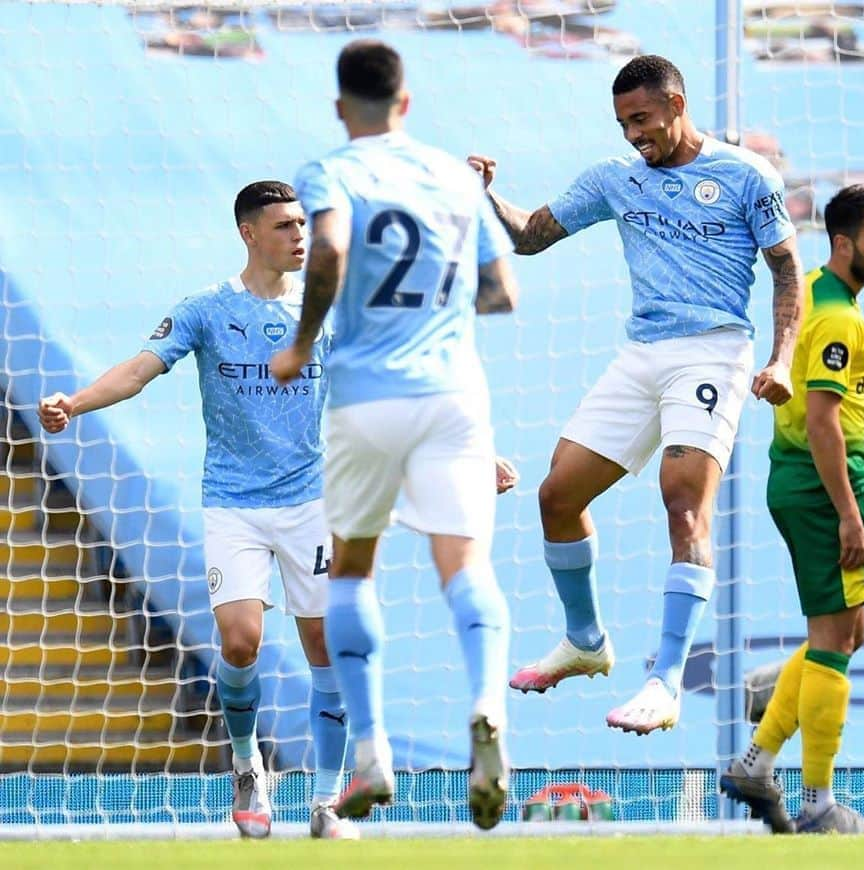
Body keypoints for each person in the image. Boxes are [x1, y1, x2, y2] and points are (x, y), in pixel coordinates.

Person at [467, 54, 805, 735]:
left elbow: (787, 269)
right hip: (642, 354)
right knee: (557, 496)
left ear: (677, 106)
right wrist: (483, 193)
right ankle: (586, 642)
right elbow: (531, 236)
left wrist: (782, 359)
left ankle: (667, 682)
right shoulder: (615, 179)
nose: (633, 136)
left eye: (643, 120)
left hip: (713, 350)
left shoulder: (744, 176)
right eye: (623, 123)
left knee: (683, 506)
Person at [37, 181, 357, 840]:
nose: (299, 236)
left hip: (310, 503)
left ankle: (327, 801)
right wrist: (75, 402)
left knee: (326, 647)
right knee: (240, 642)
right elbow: (138, 369)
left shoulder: (325, 309)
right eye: (284, 226)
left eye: (304, 224)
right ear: (249, 233)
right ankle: (248, 767)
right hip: (234, 503)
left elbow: (391, 388)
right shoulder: (208, 310)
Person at [270, 39, 520, 831]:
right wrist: (438, 316)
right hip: (453, 394)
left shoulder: (332, 168)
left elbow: (333, 248)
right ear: (406, 102)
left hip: (364, 397)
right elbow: (502, 291)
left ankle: (371, 749)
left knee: (352, 569)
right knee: (465, 565)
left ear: (342, 108)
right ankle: (487, 708)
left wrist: (306, 340)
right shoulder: (454, 173)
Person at [720, 185, 864, 834]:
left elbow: (827, 420)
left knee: (848, 634)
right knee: (833, 641)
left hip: (817, 478)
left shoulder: (822, 298)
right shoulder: (838, 319)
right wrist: (846, 508)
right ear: (844, 244)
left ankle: (759, 750)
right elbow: (821, 421)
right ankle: (818, 803)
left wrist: (856, 482)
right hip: (818, 487)